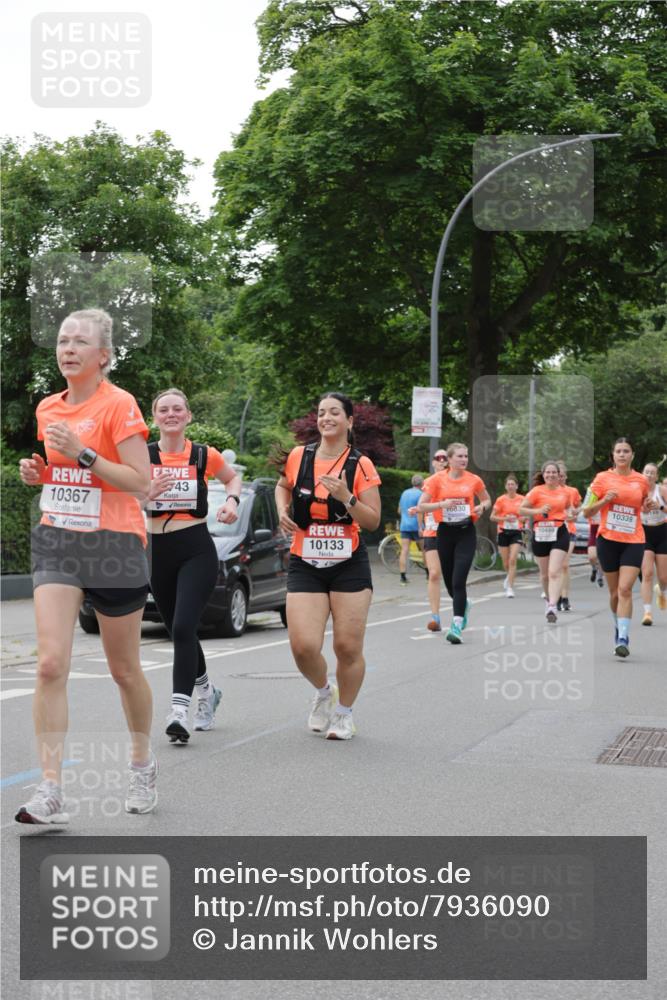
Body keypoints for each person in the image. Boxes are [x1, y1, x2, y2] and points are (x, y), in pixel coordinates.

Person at [15, 308, 156, 824]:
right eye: (62, 340)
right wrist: (40, 473)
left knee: (123, 671)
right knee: (50, 663)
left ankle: (141, 763)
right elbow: (58, 474)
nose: (68, 348)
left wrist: (82, 455)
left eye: (80, 342)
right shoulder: (48, 407)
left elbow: (140, 481)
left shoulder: (120, 405)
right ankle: (50, 789)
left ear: (103, 356)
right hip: (58, 540)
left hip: (115, 545)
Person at [274, 393, 381, 740]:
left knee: (347, 647)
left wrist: (346, 498)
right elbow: (282, 486)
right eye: (321, 413)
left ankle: (344, 714)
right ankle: (324, 693)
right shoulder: (299, 456)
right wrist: (282, 511)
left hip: (348, 561)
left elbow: (374, 520)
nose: (326, 418)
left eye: (335, 412)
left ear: (350, 421)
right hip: (306, 560)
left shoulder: (360, 464)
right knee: (303, 645)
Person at [145, 389, 242, 743]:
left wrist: (231, 500)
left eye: (177, 409)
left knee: (185, 626)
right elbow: (122, 497)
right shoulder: (142, 457)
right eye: (163, 409)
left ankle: (179, 712)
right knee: (177, 630)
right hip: (157, 550)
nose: (171, 414)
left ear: (188, 416)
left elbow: (232, 478)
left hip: (196, 548)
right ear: (154, 417)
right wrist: (145, 496)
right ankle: (208, 691)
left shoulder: (203, 454)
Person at [583, 438, 656, 657]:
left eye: (626, 451)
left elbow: (643, 503)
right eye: (618, 451)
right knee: (614, 592)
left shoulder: (641, 480)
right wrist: (605, 500)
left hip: (634, 540)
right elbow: (586, 511)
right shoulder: (602, 479)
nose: (622, 454)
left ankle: (623, 638)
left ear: (632, 455)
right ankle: (618, 627)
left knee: (625, 589)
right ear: (613, 455)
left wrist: (648, 505)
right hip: (608, 540)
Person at [418, 442, 491, 644]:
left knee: (459, 580)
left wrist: (482, 508)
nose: (464, 459)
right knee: (450, 581)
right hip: (445, 532)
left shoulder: (474, 480)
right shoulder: (436, 481)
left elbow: (486, 500)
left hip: (466, 531)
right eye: (459, 456)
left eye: (466, 456)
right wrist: (441, 504)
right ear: (449, 460)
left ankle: (456, 625)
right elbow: (421, 505)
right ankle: (464, 605)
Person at [520, 461, 576, 624]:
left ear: (559, 475)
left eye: (554, 473)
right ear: (543, 475)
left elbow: (570, 511)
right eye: (548, 473)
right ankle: (548, 601)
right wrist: (537, 511)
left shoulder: (565, 492)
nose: (551, 475)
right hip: (541, 533)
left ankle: (552, 605)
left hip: (559, 532)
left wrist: (572, 515)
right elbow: (522, 509)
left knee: (554, 572)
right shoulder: (536, 492)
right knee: (544, 575)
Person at [414, 451, 449, 631]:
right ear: (433, 462)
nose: (441, 461)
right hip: (431, 532)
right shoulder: (427, 483)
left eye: (445, 459)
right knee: (434, 573)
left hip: (452, 533)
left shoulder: (455, 482)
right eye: (438, 458)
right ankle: (435, 617)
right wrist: (420, 525)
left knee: (452, 576)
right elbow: (421, 507)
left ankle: (461, 606)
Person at [639, 462, 667, 626]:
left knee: (664, 577)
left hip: (662, 532)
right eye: (646, 472)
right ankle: (647, 612)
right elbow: (633, 510)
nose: (648, 475)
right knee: (647, 573)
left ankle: (661, 590)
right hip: (644, 533)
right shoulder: (637, 491)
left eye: (652, 473)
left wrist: (660, 506)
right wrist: (643, 509)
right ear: (642, 474)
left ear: (656, 477)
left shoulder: (661, 491)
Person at [490, 474, 525, 598]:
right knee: (505, 562)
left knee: (513, 559)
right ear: (506, 486)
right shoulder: (501, 500)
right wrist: (505, 518)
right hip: (503, 531)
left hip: (516, 532)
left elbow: (526, 516)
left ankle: (510, 587)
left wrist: (518, 518)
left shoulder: (522, 499)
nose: (510, 486)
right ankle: (508, 576)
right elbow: (492, 517)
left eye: (513, 484)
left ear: (516, 486)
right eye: (508, 484)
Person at [557, 461, 582, 612]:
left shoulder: (572, 491)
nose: (560, 478)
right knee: (556, 567)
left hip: (569, 529)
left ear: (566, 476)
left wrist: (575, 512)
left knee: (565, 565)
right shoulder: (547, 491)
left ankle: (565, 597)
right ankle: (557, 596)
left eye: (562, 476)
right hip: (554, 531)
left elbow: (578, 506)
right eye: (557, 475)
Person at [397, 474, 424, 585]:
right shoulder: (421, 494)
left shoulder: (404, 493)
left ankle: (403, 577)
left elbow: (399, 510)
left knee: (404, 551)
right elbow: (420, 511)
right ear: (422, 483)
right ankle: (428, 574)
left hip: (405, 526)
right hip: (416, 526)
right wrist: (420, 527)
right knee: (425, 550)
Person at [583, 485, 604, 588]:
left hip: (604, 530)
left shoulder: (607, 499)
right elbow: (585, 512)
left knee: (602, 557)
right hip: (594, 529)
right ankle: (594, 568)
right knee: (592, 556)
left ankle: (600, 576)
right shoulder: (592, 499)